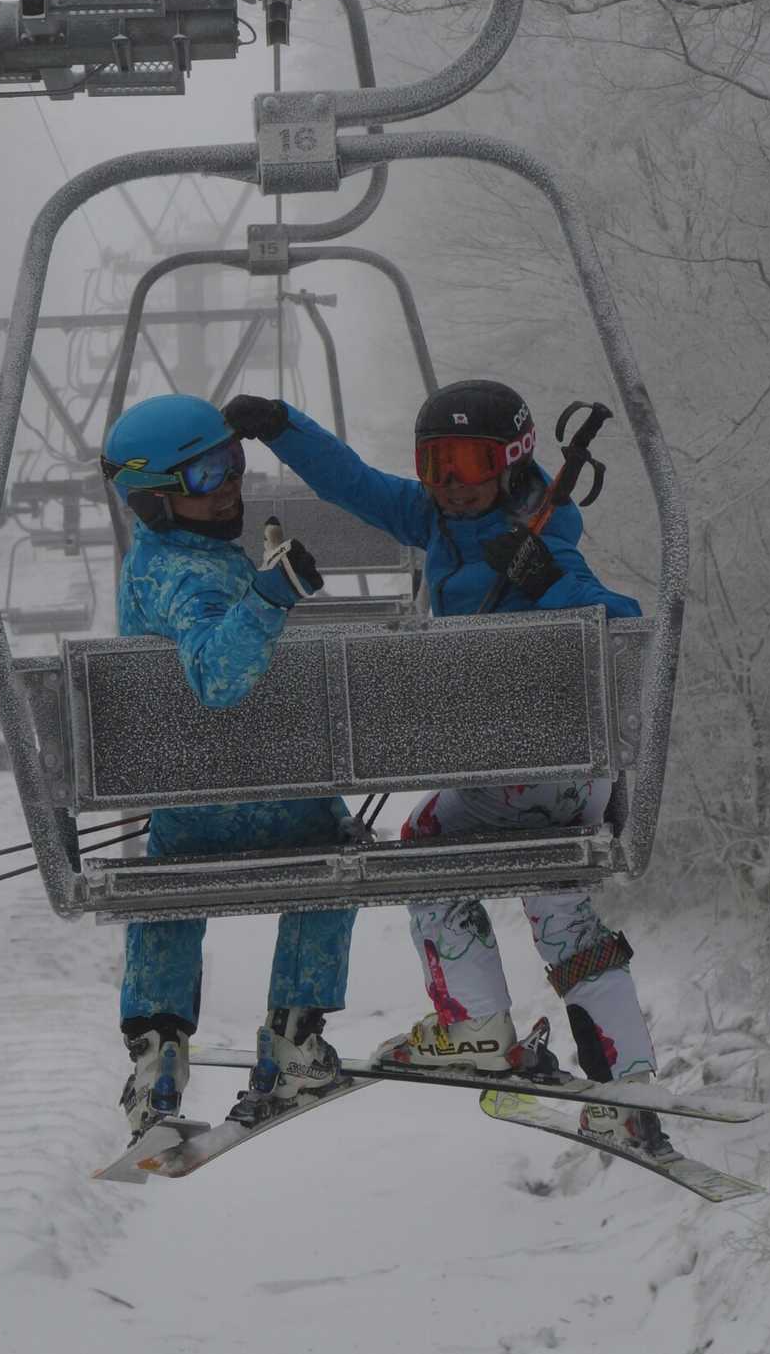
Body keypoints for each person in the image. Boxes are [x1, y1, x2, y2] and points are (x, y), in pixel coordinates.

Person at [221, 380, 675, 1159]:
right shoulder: (432, 517)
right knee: (562, 913)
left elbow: (623, 623)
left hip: (534, 769)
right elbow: (353, 482)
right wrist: (282, 427)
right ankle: (626, 1086)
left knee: (427, 845)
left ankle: (477, 1023)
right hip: (554, 780)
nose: (452, 484)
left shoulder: (539, 538)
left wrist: (545, 581)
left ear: (513, 461)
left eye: (469, 463)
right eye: (436, 465)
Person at [100, 393, 357, 1141]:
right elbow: (217, 676)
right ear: (153, 497)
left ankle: (158, 1051)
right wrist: (273, 594)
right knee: (336, 846)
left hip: (187, 808)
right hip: (264, 802)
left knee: (166, 874)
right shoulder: (189, 576)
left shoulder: (161, 562)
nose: (230, 486)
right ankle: (295, 1036)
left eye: (234, 462)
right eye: (207, 474)